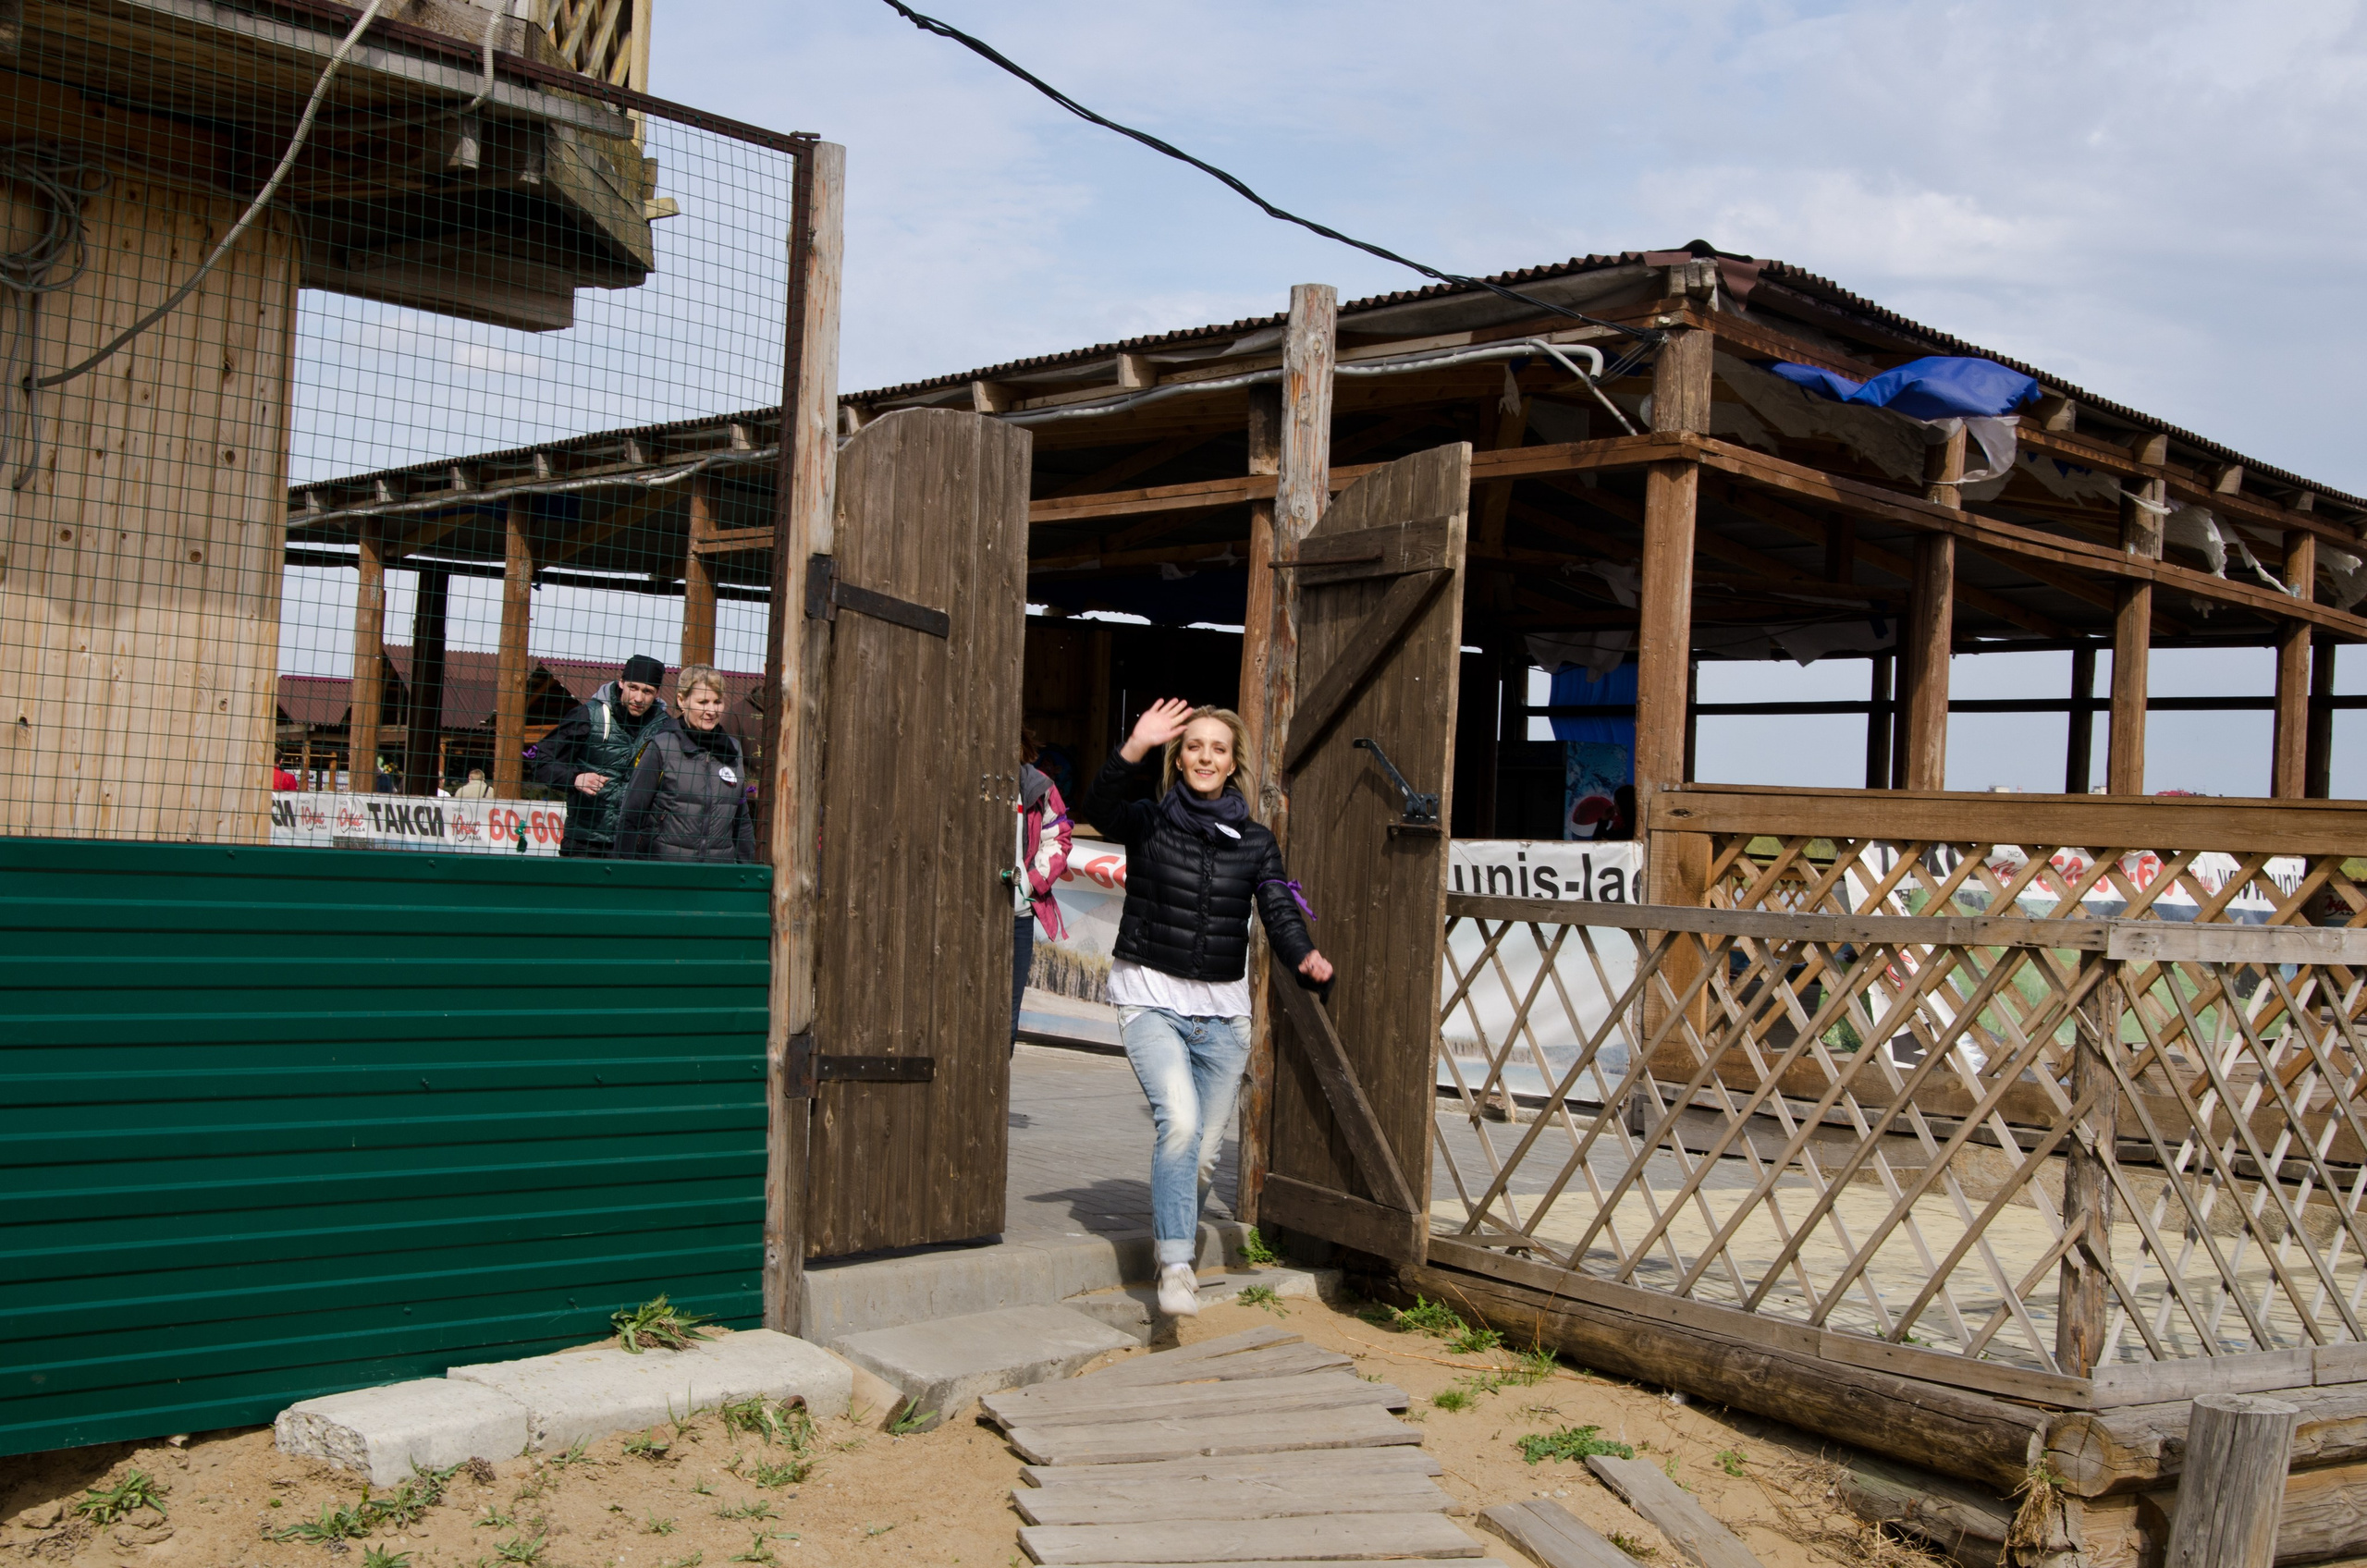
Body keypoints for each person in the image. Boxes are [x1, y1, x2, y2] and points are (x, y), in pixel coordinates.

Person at [1080, 697, 1332, 1318]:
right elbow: (1097, 809)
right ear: (1179, 757)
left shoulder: (1255, 842)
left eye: (1218, 748)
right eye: (1194, 746)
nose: (1205, 757)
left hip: (1224, 1016)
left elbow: (1276, 907)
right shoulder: (1147, 821)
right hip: (1150, 999)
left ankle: (1172, 1230)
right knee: (1182, 1127)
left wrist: (1303, 955)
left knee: (1205, 1156)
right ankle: (1174, 1266)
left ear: (1232, 763)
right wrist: (1133, 743)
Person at [526, 654, 668, 857]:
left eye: (647, 691)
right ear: (621, 683)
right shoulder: (587, 716)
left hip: (636, 845)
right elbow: (537, 757)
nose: (639, 698)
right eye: (633, 688)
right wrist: (574, 778)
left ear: (657, 693)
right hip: (585, 842)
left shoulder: (665, 728)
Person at [613, 665, 755, 863]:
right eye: (703, 702)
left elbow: (741, 818)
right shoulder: (662, 747)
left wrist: (745, 871)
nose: (711, 710)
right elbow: (631, 813)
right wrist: (624, 869)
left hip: (718, 872)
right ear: (682, 700)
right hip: (666, 869)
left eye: (717, 702)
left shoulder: (733, 750)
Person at [1010, 730, 1073, 1046]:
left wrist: (1031, 885)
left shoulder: (1039, 786)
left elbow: (1059, 838)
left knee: (1007, 1020)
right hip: (963, 915)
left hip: (1017, 918)